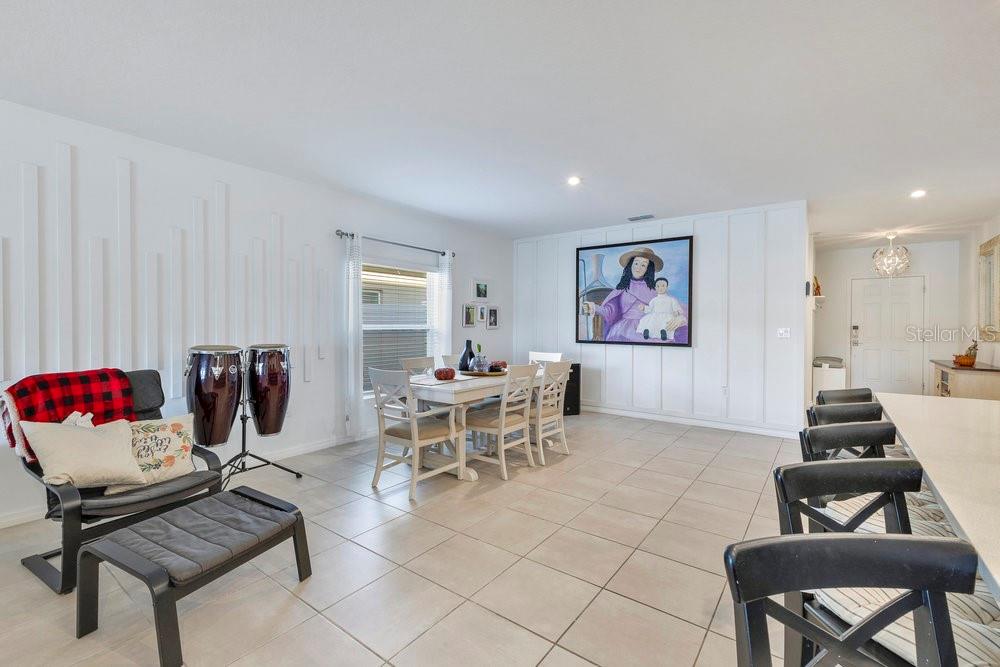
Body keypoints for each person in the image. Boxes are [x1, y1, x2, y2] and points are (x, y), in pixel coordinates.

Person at [582, 247, 673, 343]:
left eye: (643, 265)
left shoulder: (655, 290)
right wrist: (593, 307)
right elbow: (609, 311)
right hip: (623, 330)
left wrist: (678, 318)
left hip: (648, 328)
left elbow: (666, 308)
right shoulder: (622, 288)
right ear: (631, 265)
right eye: (636, 263)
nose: (638, 267)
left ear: (648, 269)